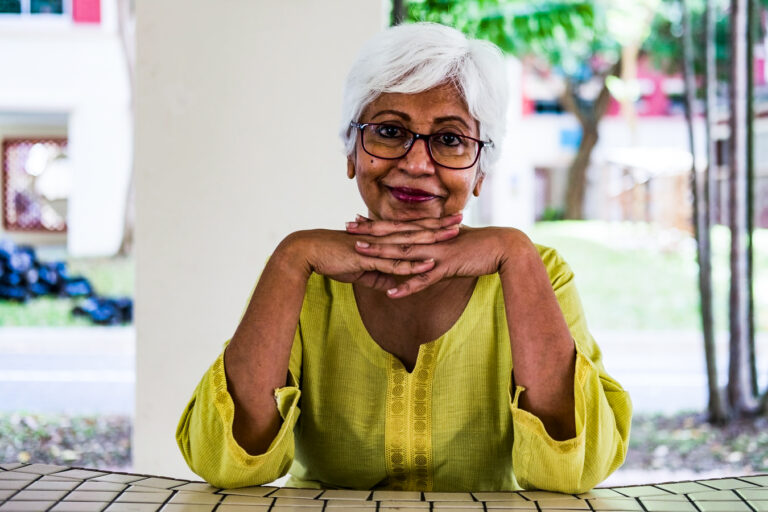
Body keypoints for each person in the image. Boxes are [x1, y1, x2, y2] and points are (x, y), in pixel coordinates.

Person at [176, 22, 632, 493]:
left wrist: (513, 252)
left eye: (451, 139)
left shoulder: (539, 271)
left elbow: (572, 472)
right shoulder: (306, 274)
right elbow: (226, 465)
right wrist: (292, 256)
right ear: (352, 151)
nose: (416, 164)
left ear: (481, 172)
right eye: (390, 131)